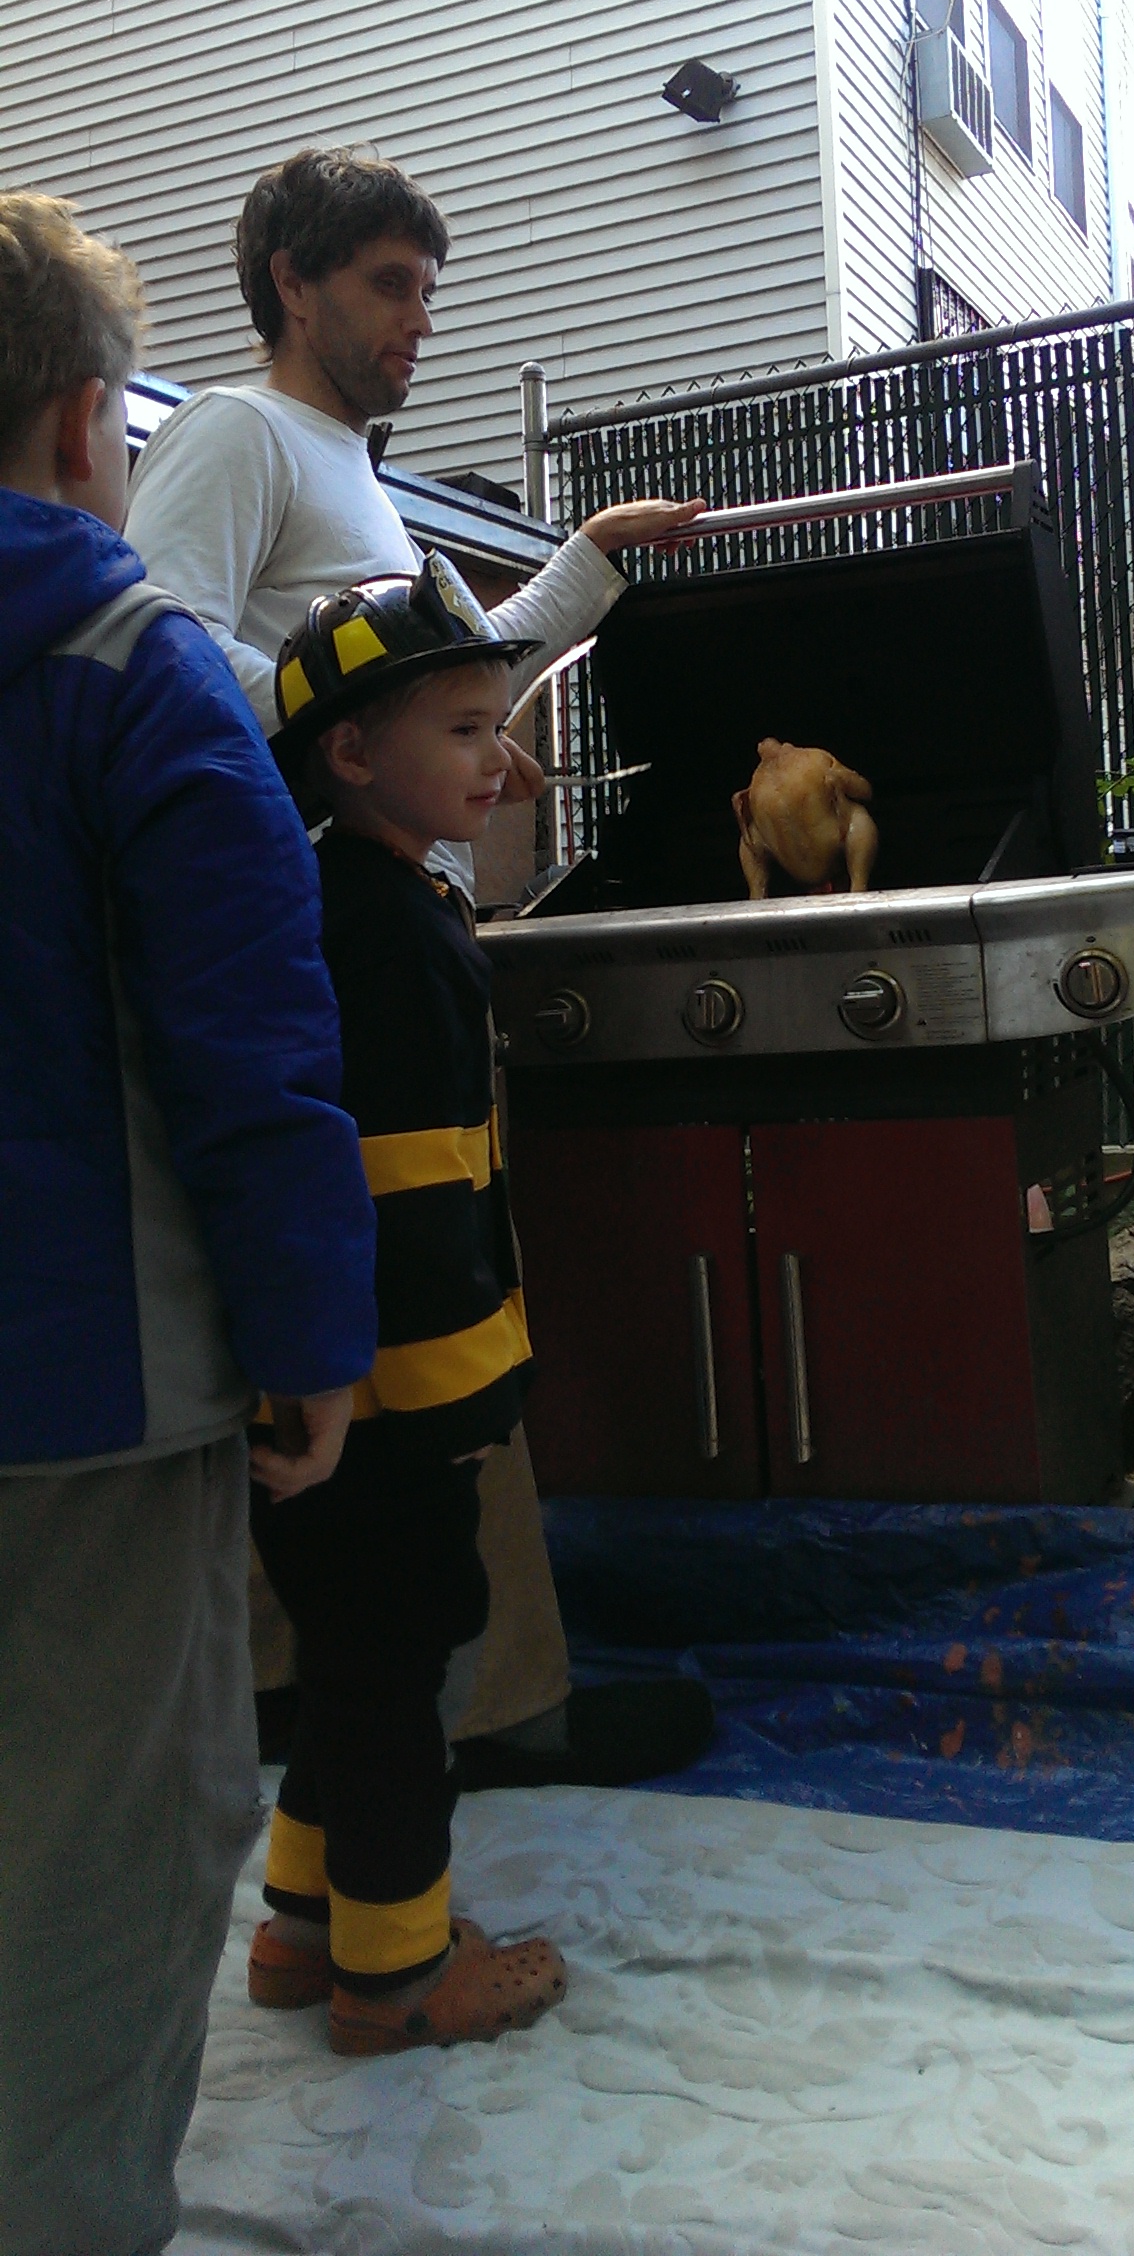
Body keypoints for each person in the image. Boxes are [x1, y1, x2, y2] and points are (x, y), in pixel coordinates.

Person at [125, 144, 712, 1788]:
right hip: (316, 943)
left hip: (382, 927)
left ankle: (370, 1692)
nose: (419, 319)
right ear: (292, 283)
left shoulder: (353, 474)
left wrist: (587, 561)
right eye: (389, 284)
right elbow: (166, 646)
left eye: (429, 291)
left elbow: (446, 677)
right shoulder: (237, 434)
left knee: (408, 1296)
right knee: (410, 1293)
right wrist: (362, 726)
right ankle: (479, 1702)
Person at [0, 193, 377, 2256]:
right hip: (88, 1392)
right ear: (86, 427)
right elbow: (256, 1052)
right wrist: (314, 1343)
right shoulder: (134, 671)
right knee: (111, 1851)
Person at [249, 556, 574, 2054]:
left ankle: (300, 1929)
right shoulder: (378, 928)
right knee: (402, 1662)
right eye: (462, 729)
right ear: (351, 753)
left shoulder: (361, 896)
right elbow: (408, 1191)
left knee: (348, 1654)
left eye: (496, 724)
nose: (499, 760)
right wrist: (464, 1391)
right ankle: (395, 1975)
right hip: (390, 1395)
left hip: (333, 1380)